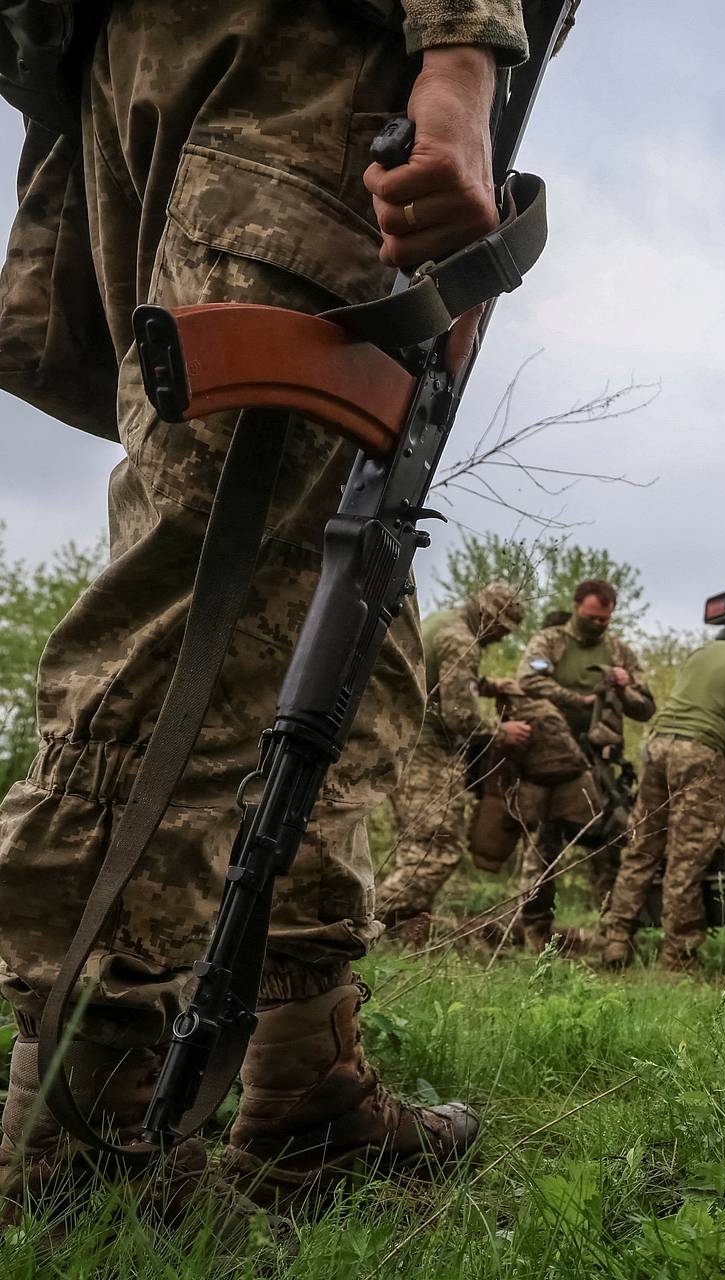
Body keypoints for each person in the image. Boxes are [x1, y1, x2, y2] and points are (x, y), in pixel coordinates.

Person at [0, 0, 561, 1233]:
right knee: (216, 586)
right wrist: (463, 58)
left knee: (330, 615)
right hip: (298, 67)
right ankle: (81, 1131)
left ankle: (299, 1083)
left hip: (184, 66)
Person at [600, 607, 725, 972]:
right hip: (699, 752)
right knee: (687, 857)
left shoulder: (705, 651)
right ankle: (677, 960)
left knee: (643, 845)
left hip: (657, 746)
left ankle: (616, 940)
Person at [380, 582, 531, 927]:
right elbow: (459, 715)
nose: (502, 639)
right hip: (426, 751)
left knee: (414, 847)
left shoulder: (444, 622)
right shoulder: (462, 640)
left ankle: (400, 932)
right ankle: (367, 923)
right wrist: (500, 730)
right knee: (436, 852)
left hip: (403, 739)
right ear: (490, 619)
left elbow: (435, 679)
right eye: (503, 631)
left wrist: (489, 686)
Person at [513, 579, 654, 949]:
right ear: (577, 607)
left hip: (600, 765)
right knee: (543, 846)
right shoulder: (550, 642)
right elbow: (528, 680)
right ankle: (534, 933)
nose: (598, 625)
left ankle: (612, 933)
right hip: (551, 762)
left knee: (610, 842)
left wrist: (624, 687)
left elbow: (646, 707)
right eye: (592, 618)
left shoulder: (618, 651)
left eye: (605, 620)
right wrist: (580, 700)